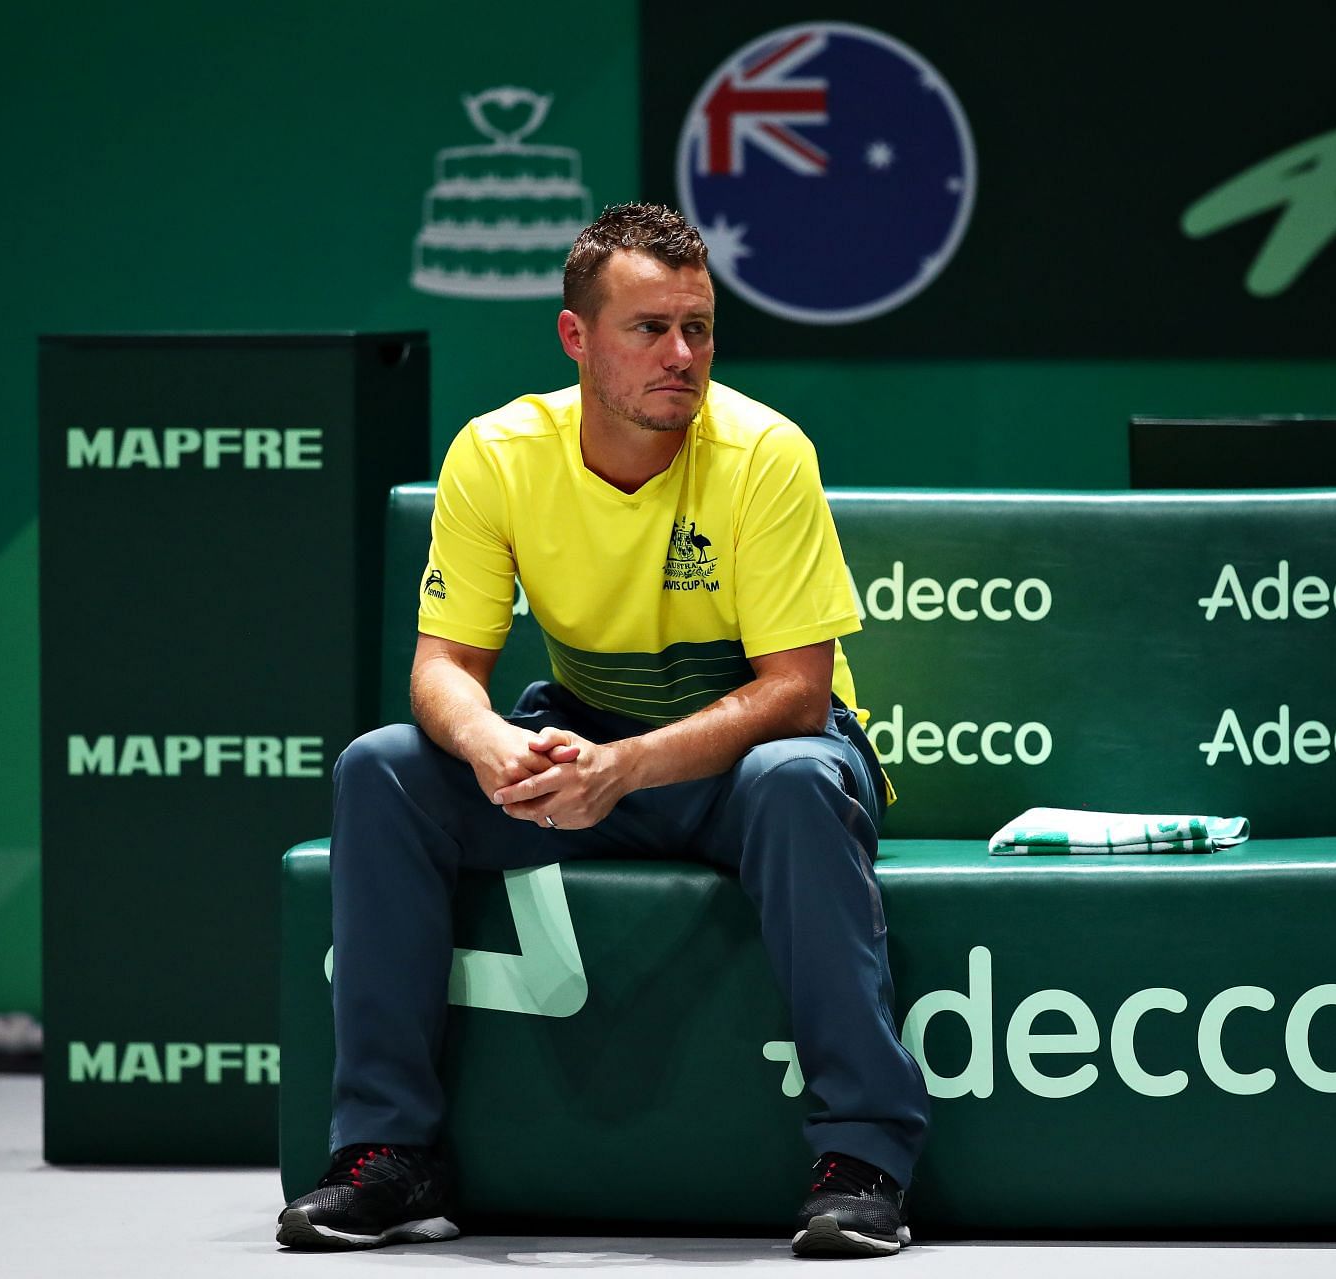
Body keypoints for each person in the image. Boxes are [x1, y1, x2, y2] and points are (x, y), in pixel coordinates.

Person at [276, 204, 929, 1258]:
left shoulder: (764, 453)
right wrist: (492, 745)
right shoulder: (497, 455)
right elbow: (442, 673)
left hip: (746, 764)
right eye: (649, 329)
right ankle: (386, 1153)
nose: (683, 356)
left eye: (700, 328)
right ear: (576, 338)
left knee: (803, 777)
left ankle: (864, 1158)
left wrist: (626, 768)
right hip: (583, 741)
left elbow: (799, 692)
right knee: (383, 770)